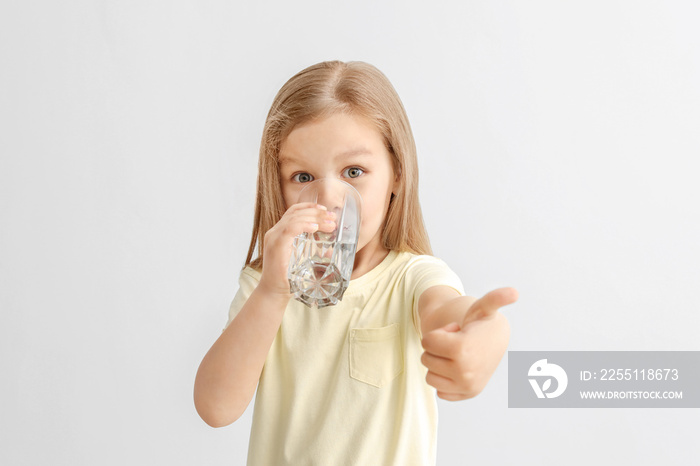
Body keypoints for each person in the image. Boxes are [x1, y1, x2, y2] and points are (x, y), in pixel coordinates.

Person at [194, 60, 518, 465]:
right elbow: (215, 408)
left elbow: (451, 311)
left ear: (397, 175)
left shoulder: (412, 278)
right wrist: (272, 292)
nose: (329, 197)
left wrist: (488, 331)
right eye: (302, 177)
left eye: (353, 171)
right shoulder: (265, 285)